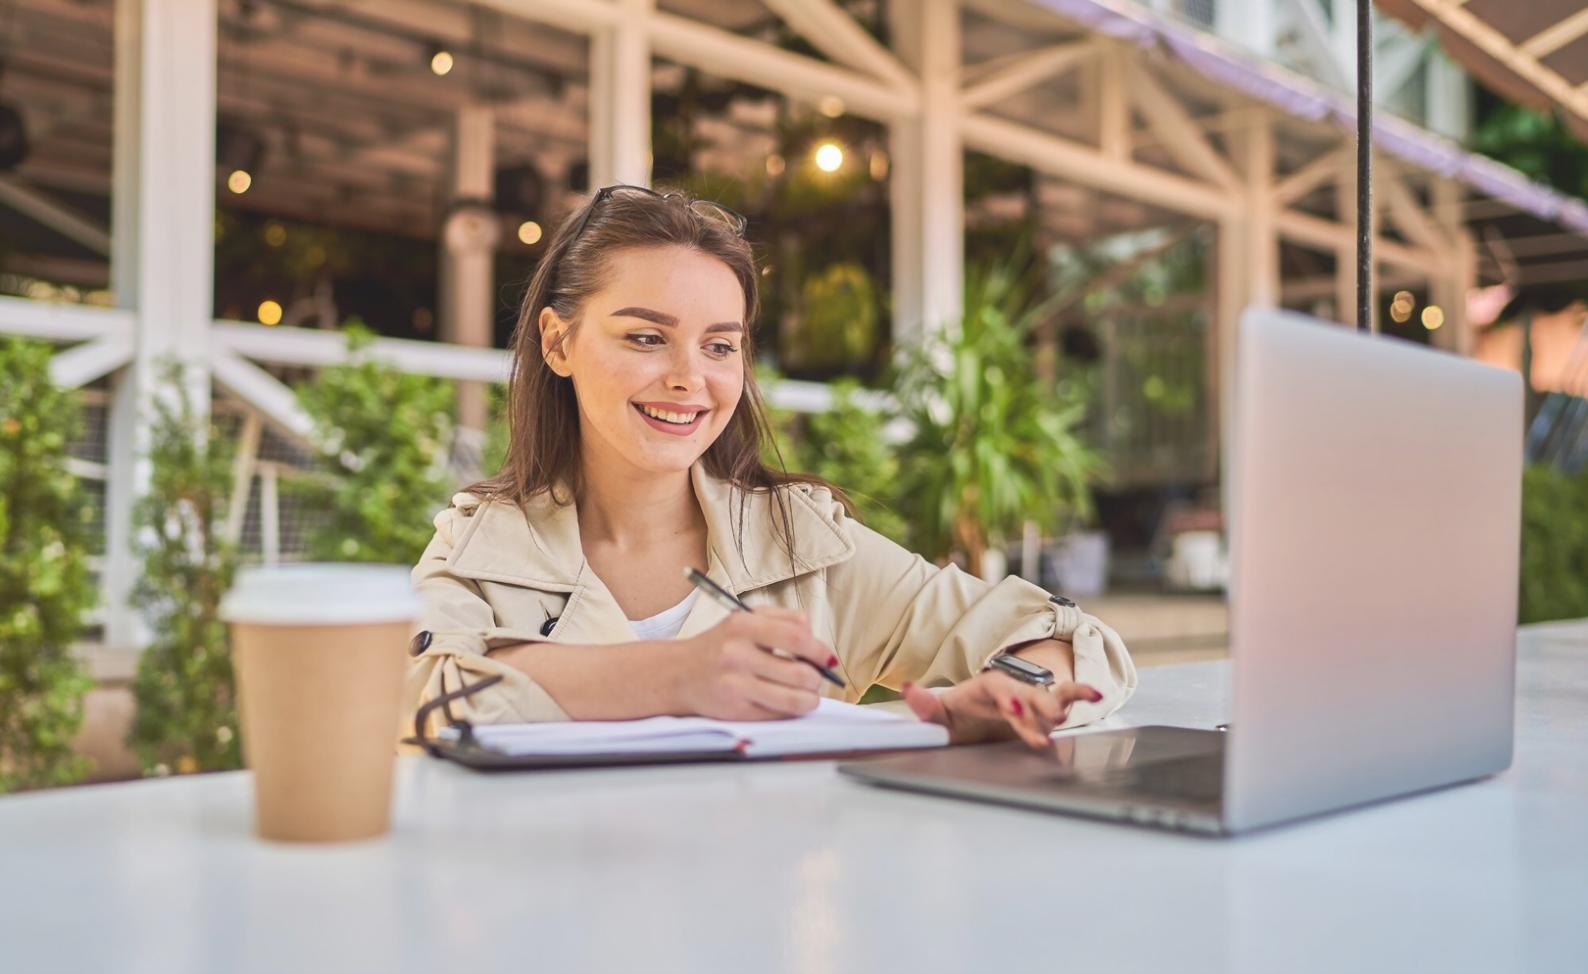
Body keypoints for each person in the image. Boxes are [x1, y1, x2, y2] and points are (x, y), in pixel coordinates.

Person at [407, 185, 1136, 749]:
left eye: (720, 346)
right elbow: (421, 699)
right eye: (646, 338)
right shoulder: (481, 545)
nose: (689, 378)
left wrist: (1016, 691)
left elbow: (1065, 635)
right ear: (557, 342)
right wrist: (681, 674)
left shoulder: (801, 544)